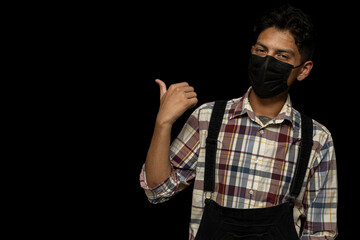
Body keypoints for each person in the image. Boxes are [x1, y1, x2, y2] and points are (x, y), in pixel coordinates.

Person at [140, 4, 338, 240]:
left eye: (282, 56)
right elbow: (158, 191)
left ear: (303, 70)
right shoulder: (208, 118)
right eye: (261, 51)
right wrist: (163, 123)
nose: (267, 61)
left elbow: (320, 232)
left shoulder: (317, 139)